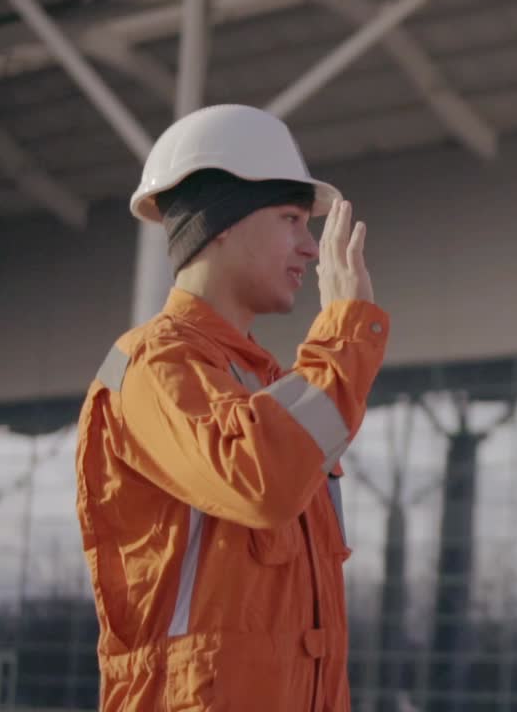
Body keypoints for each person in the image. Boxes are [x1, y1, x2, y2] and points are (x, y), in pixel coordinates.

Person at [74, 104, 388, 711]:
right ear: (221, 223)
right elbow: (259, 479)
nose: (309, 247)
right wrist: (346, 340)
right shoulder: (150, 367)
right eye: (291, 219)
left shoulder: (259, 385)